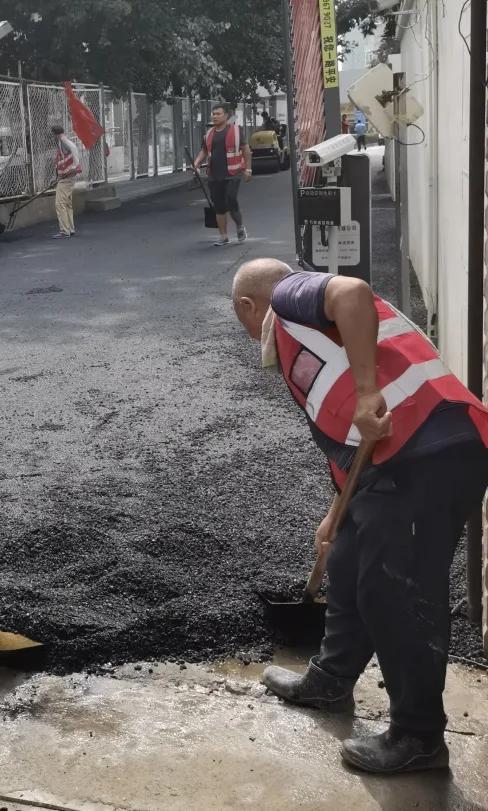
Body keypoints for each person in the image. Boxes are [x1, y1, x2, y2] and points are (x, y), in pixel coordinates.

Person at [232, 258, 488, 775]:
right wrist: (335, 515)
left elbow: (351, 291)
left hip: (426, 451)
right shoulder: (308, 343)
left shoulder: (289, 295)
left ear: (247, 306)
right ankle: (330, 680)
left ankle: (418, 737)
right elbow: (350, 442)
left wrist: (370, 391)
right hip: (392, 462)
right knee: (347, 563)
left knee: (395, 591)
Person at [193, 103, 253, 246]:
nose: (215, 116)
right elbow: (204, 151)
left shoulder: (236, 131)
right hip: (214, 175)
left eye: (218, 114)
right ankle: (224, 236)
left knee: (231, 199)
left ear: (226, 116)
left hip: (233, 173)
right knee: (219, 206)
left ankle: (239, 227)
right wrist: (196, 163)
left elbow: (246, 150)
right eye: (213, 114)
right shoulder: (208, 134)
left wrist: (248, 169)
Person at [51, 124, 81, 239]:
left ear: (55, 134)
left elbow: (73, 148)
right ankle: (70, 229)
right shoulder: (62, 141)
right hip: (67, 176)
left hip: (66, 177)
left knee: (60, 204)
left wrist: (75, 166)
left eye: (53, 134)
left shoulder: (63, 141)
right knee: (67, 203)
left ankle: (65, 231)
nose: (52, 137)